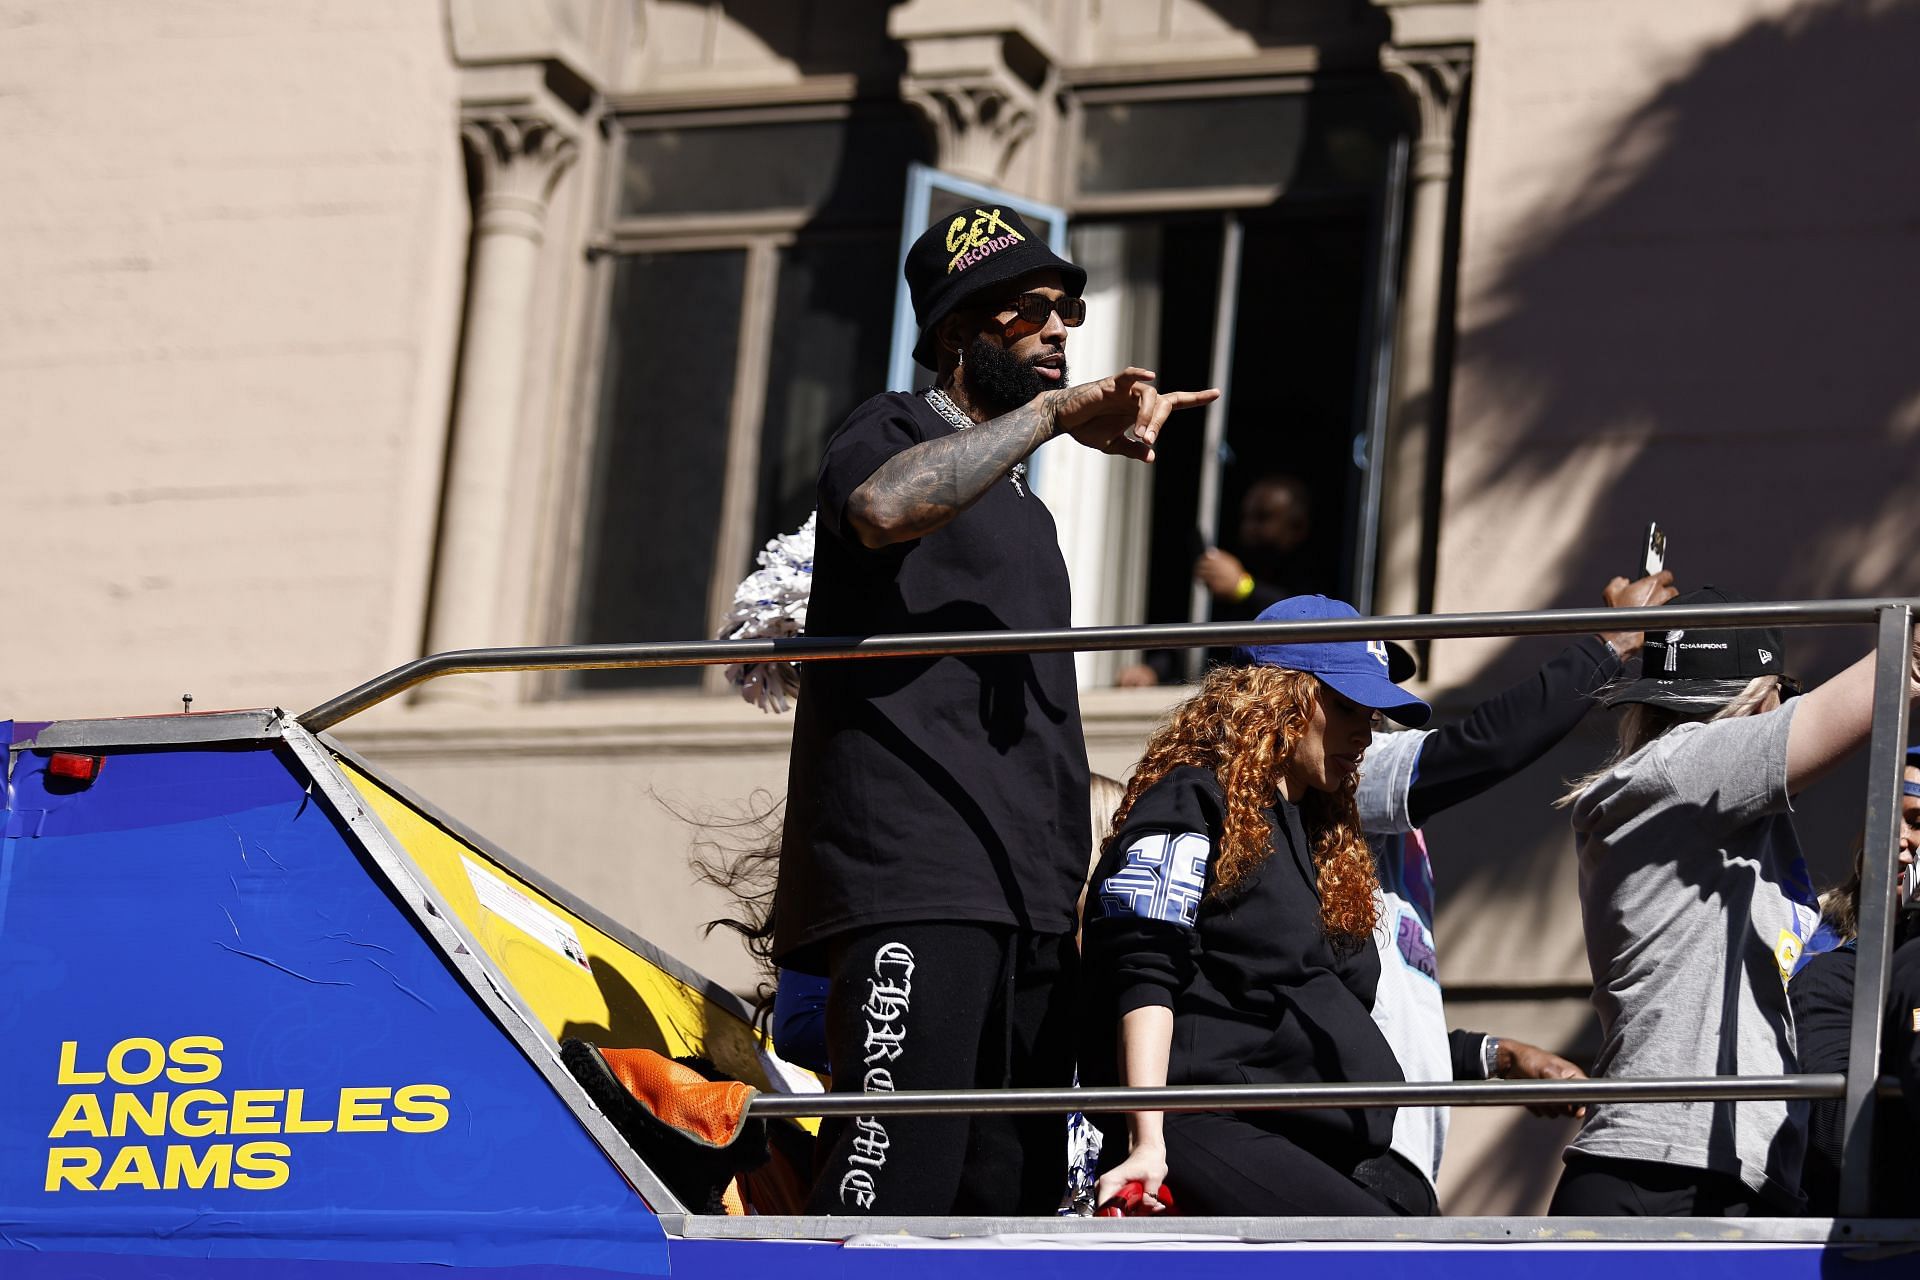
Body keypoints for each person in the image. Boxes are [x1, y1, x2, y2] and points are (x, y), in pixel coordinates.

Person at [774, 204, 1218, 1216]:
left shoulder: (1025, 510)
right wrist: (1055, 417)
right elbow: (882, 509)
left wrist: (1071, 882)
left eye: (1070, 310)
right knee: (889, 1194)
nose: (1062, 329)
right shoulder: (890, 424)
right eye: (1033, 310)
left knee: (1005, 1202)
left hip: (1027, 897)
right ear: (957, 332)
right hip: (916, 875)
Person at [1548, 587, 1920, 1216]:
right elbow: (1895, 673)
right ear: (1747, 702)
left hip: (1727, 1176)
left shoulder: (1716, 825)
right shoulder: (1676, 769)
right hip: (1661, 1170)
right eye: (1783, 699)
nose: (1791, 714)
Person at [1082, 595, 1433, 1216]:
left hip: (1308, 1138)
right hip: (1201, 1121)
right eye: (1348, 707)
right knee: (1394, 1253)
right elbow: (1142, 969)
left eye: (1374, 717)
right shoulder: (1193, 800)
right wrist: (1147, 1142)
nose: (1365, 733)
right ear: (1279, 698)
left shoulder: (1319, 827)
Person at [1353, 568, 1677, 1206]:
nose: (1378, 712)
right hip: (1357, 1157)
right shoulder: (1343, 776)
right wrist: (1610, 644)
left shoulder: (1373, 812)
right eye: (1351, 695)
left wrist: (1498, 1057)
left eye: (1380, 691)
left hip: (1401, 1158)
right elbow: (1481, 747)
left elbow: (1376, 1028)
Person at [1789, 745, 1920, 1215]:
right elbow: (1833, 1129)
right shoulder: (1824, 961)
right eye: (1883, 816)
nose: (1897, 838)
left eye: (1918, 822)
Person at [1117, 474, 1319, 688]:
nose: (1248, 529)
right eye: (1245, 517)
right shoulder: (1241, 564)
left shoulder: (1317, 572)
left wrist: (1243, 587)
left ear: (1298, 526)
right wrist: (1153, 670)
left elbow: (1306, 625)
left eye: (1263, 518)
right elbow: (1199, 633)